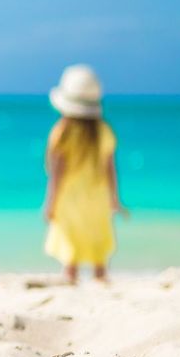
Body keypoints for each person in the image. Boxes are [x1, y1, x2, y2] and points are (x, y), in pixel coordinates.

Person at [41, 64, 129, 285]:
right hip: (97, 196)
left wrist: (50, 202)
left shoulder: (62, 133)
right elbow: (110, 168)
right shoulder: (103, 131)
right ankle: (101, 279)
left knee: (71, 246)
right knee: (98, 241)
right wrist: (114, 198)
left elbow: (57, 173)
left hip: (69, 197)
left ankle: (71, 279)